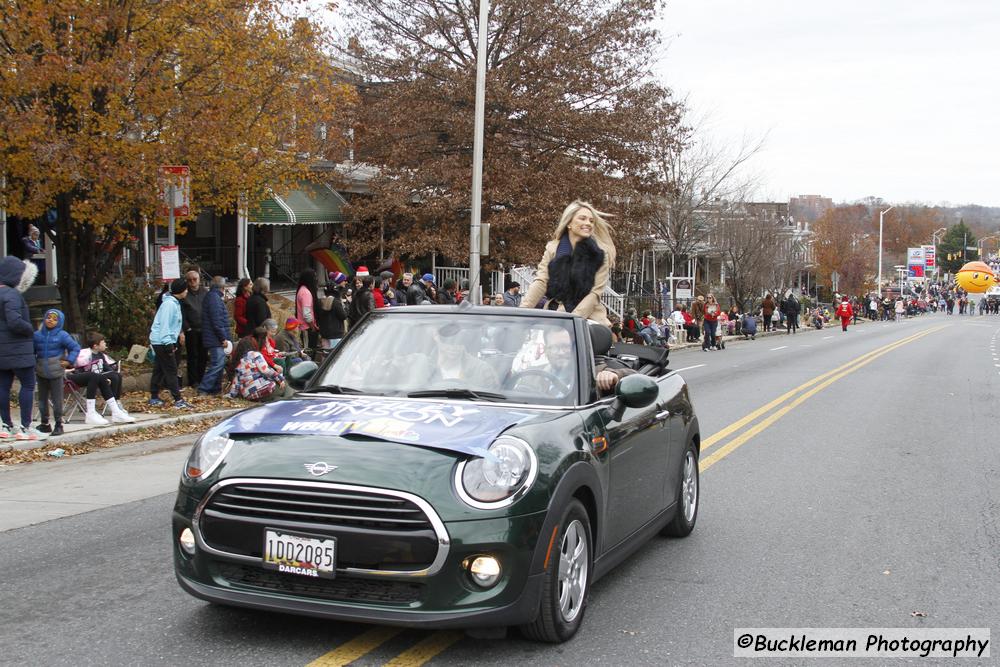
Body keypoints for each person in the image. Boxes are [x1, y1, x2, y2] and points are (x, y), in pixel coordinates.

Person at [520, 200, 616, 325]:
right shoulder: (552, 248)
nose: (588, 223)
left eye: (591, 221)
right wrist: (521, 312)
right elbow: (541, 281)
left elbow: (595, 293)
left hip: (588, 317)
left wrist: (570, 322)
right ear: (569, 223)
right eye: (582, 218)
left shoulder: (601, 253)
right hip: (555, 313)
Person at [0, 257, 39, 440]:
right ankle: (25, 427)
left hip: (2, 351)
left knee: (3, 387)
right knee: (28, 385)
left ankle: (6, 426)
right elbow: (15, 321)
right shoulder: (13, 295)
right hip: (19, 349)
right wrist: (30, 329)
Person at [33, 308, 80, 436]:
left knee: (57, 399)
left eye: (55, 319)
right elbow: (32, 351)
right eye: (48, 317)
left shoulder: (62, 335)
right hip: (41, 371)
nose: (50, 321)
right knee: (42, 399)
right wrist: (33, 364)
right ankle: (45, 423)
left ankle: (59, 424)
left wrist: (69, 361)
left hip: (56, 372)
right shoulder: (37, 335)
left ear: (59, 322)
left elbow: (75, 347)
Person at [72, 331, 136, 424]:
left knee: (116, 375)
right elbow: (82, 369)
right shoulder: (86, 355)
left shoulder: (101, 355)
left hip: (98, 374)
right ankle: (110, 409)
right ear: (95, 346)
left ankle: (116, 405)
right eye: (103, 342)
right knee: (107, 376)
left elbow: (106, 367)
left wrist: (112, 370)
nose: (105, 344)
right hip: (87, 375)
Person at [149, 277, 192, 409]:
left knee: (159, 369)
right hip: (162, 341)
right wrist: (168, 344)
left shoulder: (174, 302)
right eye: (185, 289)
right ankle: (178, 399)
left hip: (161, 340)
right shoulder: (169, 304)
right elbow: (165, 325)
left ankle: (154, 396)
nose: (187, 292)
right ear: (181, 290)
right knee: (171, 369)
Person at [229, 327, 288, 402]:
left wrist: (231, 395)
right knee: (285, 386)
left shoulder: (242, 361)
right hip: (261, 391)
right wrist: (280, 379)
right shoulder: (256, 355)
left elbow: (236, 380)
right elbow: (266, 371)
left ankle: (278, 400)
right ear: (261, 340)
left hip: (248, 395)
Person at [198, 276, 233, 396]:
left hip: (213, 336)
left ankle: (215, 389)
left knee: (219, 363)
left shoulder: (212, 297)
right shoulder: (214, 298)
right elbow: (217, 321)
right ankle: (204, 388)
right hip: (215, 338)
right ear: (222, 287)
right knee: (217, 364)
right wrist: (223, 338)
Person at [181, 270, 209, 388]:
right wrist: (187, 328)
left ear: (199, 280)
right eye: (190, 280)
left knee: (203, 356)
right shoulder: (184, 294)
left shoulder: (205, 292)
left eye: (195, 279)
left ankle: (201, 378)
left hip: (204, 329)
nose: (192, 282)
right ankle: (193, 381)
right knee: (192, 356)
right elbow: (182, 313)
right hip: (191, 330)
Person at [316, 277, 348, 349]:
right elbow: (343, 316)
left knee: (326, 354)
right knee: (336, 355)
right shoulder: (336, 302)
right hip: (336, 334)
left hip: (324, 333)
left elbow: (317, 316)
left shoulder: (320, 301)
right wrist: (346, 306)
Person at [296, 268, 320, 351]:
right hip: (307, 328)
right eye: (315, 277)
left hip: (305, 327)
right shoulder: (306, 293)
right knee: (309, 351)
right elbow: (306, 314)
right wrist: (313, 327)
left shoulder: (301, 289)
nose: (316, 279)